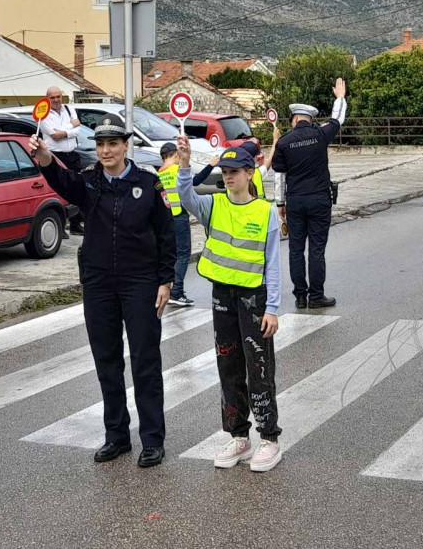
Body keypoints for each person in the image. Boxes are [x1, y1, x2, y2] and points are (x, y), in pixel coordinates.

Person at [29, 114, 175, 469]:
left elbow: (166, 234)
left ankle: (152, 440)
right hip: (98, 283)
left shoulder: (148, 183)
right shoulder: (89, 182)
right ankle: (117, 435)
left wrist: (165, 280)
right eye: (101, 145)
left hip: (140, 281)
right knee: (107, 361)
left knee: (144, 361)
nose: (106, 151)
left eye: (113, 144)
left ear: (126, 146)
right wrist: (45, 157)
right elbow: (62, 180)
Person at [175, 136, 283, 472]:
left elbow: (273, 264)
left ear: (250, 173)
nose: (228, 176)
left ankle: (269, 438)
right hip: (222, 296)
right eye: (225, 171)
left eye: (234, 171)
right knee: (228, 366)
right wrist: (184, 165)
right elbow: (186, 198)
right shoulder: (214, 205)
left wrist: (273, 308)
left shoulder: (265, 212)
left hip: (254, 299)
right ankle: (239, 436)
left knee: (259, 368)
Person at [272, 79, 347, 309]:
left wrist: (280, 203)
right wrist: (340, 97)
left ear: (294, 120)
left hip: (295, 202)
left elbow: (279, 176)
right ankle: (316, 297)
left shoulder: (284, 142)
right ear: (310, 119)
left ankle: (300, 297)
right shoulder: (321, 135)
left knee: (296, 250)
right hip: (319, 200)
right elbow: (338, 119)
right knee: (316, 249)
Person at [191, 124, 282, 200]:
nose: (228, 176)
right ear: (254, 158)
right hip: (258, 211)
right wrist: (275, 140)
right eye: (225, 172)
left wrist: (211, 165)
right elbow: (270, 160)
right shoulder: (258, 173)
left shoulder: (231, 177)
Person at [40, 86, 85, 234]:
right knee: (58, 189)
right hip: (55, 155)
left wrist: (64, 132)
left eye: (58, 96)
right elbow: (54, 135)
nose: (56, 100)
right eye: (52, 97)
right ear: (47, 99)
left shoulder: (69, 109)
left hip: (72, 155)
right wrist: (71, 125)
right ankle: (61, 226)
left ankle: (75, 224)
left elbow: (78, 130)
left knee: (77, 187)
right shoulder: (43, 114)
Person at [157, 142, 195, 307]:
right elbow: (193, 183)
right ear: (176, 155)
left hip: (167, 218)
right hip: (179, 215)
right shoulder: (177, 170)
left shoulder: (159, 173)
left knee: (172, 254)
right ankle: (177, 291)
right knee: (183, 254)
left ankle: (170, 287)